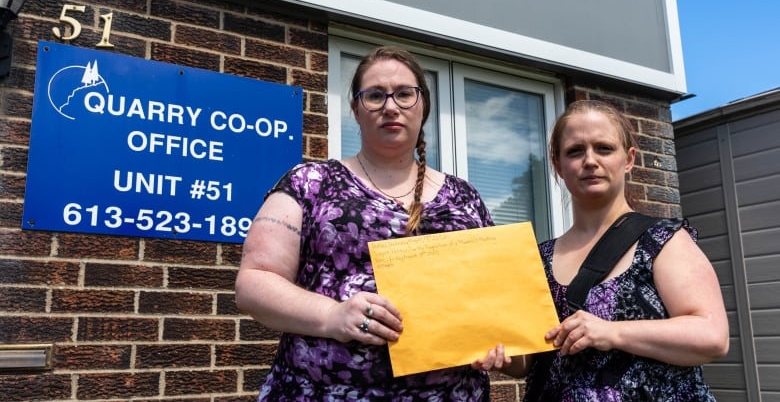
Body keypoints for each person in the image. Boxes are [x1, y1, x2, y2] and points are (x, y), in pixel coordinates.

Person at [235, 46, 495, 400]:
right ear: (356, 110)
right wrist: (333, 315)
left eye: (405, 94)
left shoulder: (465, 198)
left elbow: (494, 295)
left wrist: (494, 339)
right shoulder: (310, 181)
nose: (391, 106)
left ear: (424, 106)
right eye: (374, 95)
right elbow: (253, 283)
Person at [472, 100, 729, 400]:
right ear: (557, 164)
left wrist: (612, 332)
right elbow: (528, 360)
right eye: (575, 151)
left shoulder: (662, 241)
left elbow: (712, 337)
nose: (590, 160)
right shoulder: (538, 259)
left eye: (604, 148)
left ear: (629, 159)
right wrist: (497, 352)